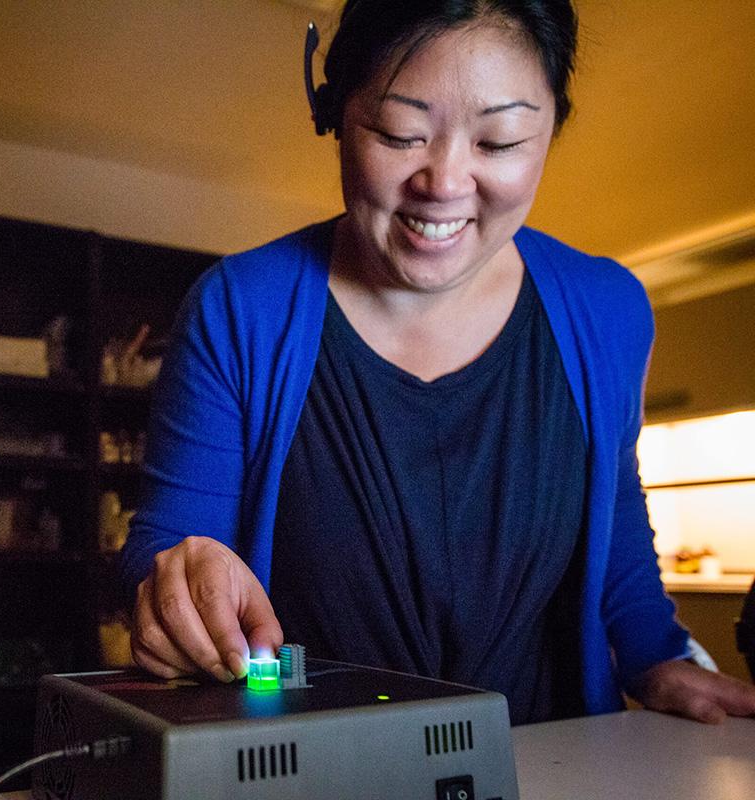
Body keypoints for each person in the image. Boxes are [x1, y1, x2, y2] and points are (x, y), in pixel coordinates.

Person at [120, 0, 755, 725]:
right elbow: (169, 544)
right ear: (333, 113)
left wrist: (658, 660)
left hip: (550, 759)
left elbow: (610, 521)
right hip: (312, 763)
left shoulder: (607, 309)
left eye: (501, 141)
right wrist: (176, 588)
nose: (446, 182)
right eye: (401, 134)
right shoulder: (240, 308)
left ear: (551, 128)